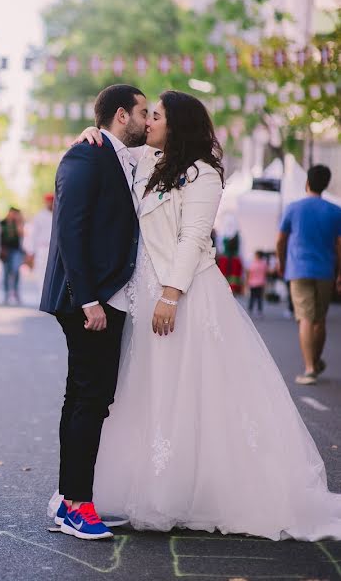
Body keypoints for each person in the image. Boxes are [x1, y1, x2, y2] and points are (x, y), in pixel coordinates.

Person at [75, 91, 341, 541]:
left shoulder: (204, 175)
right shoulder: (146, 160)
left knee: (189, 388)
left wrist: (171, 295)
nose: (148, 123)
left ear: (176, 126)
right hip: (141, 292)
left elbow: (194, 238)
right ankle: (147, 484)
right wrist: (87, 134)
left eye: (155, 117)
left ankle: (190, 491)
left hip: (185, 293)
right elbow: (108, 142)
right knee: (147, 389)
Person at [39, 84, 147, 540]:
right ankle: (77, 505)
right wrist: (88, 300)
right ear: (122, 116)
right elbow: (70, 229)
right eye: (144, 112)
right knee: (90, 398)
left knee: (85, 397)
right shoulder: (84, 156)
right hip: (89, 300)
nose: (148, 119)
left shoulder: (119, 156)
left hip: (106, 297)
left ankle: (70, 498)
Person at [276, 164, 341, 384]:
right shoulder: (335, 211)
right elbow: (339, 245)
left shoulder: (293, 208)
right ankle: (316, 360)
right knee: (319, 320)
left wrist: (281, 262)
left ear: (307, 183)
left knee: (305, 318)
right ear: (326, 184)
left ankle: (310, 368)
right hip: (325, 271)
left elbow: (280, 240)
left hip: (298, 269)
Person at [25, 193, 54, 286]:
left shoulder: (58, 214)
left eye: (52, 201)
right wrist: (30, 251)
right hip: (42, 248)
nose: (50, 203)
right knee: (41, 272)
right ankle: (41, 296)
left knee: (53, 272)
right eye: (48, 201)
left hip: (54, 249)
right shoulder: (39, 216)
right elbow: (32, 235)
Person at [0, 207, 25, 305]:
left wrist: (18, 221)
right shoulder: (2, 223)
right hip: (5, 250)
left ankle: (15, 292)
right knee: (6, 272)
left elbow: (22, 234)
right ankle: (6, 294)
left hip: (16, 250)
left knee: (15, 271)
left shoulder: (17, 223)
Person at [246, 250, 268, 317]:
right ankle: (259, 311)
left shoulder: (253, 263)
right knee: (259, 297)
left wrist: (247, 281)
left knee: (253, 297)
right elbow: (266, 273)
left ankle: (251, 309)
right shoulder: (264, 264)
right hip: (260, 283)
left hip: (253, 283)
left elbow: (249, 272)